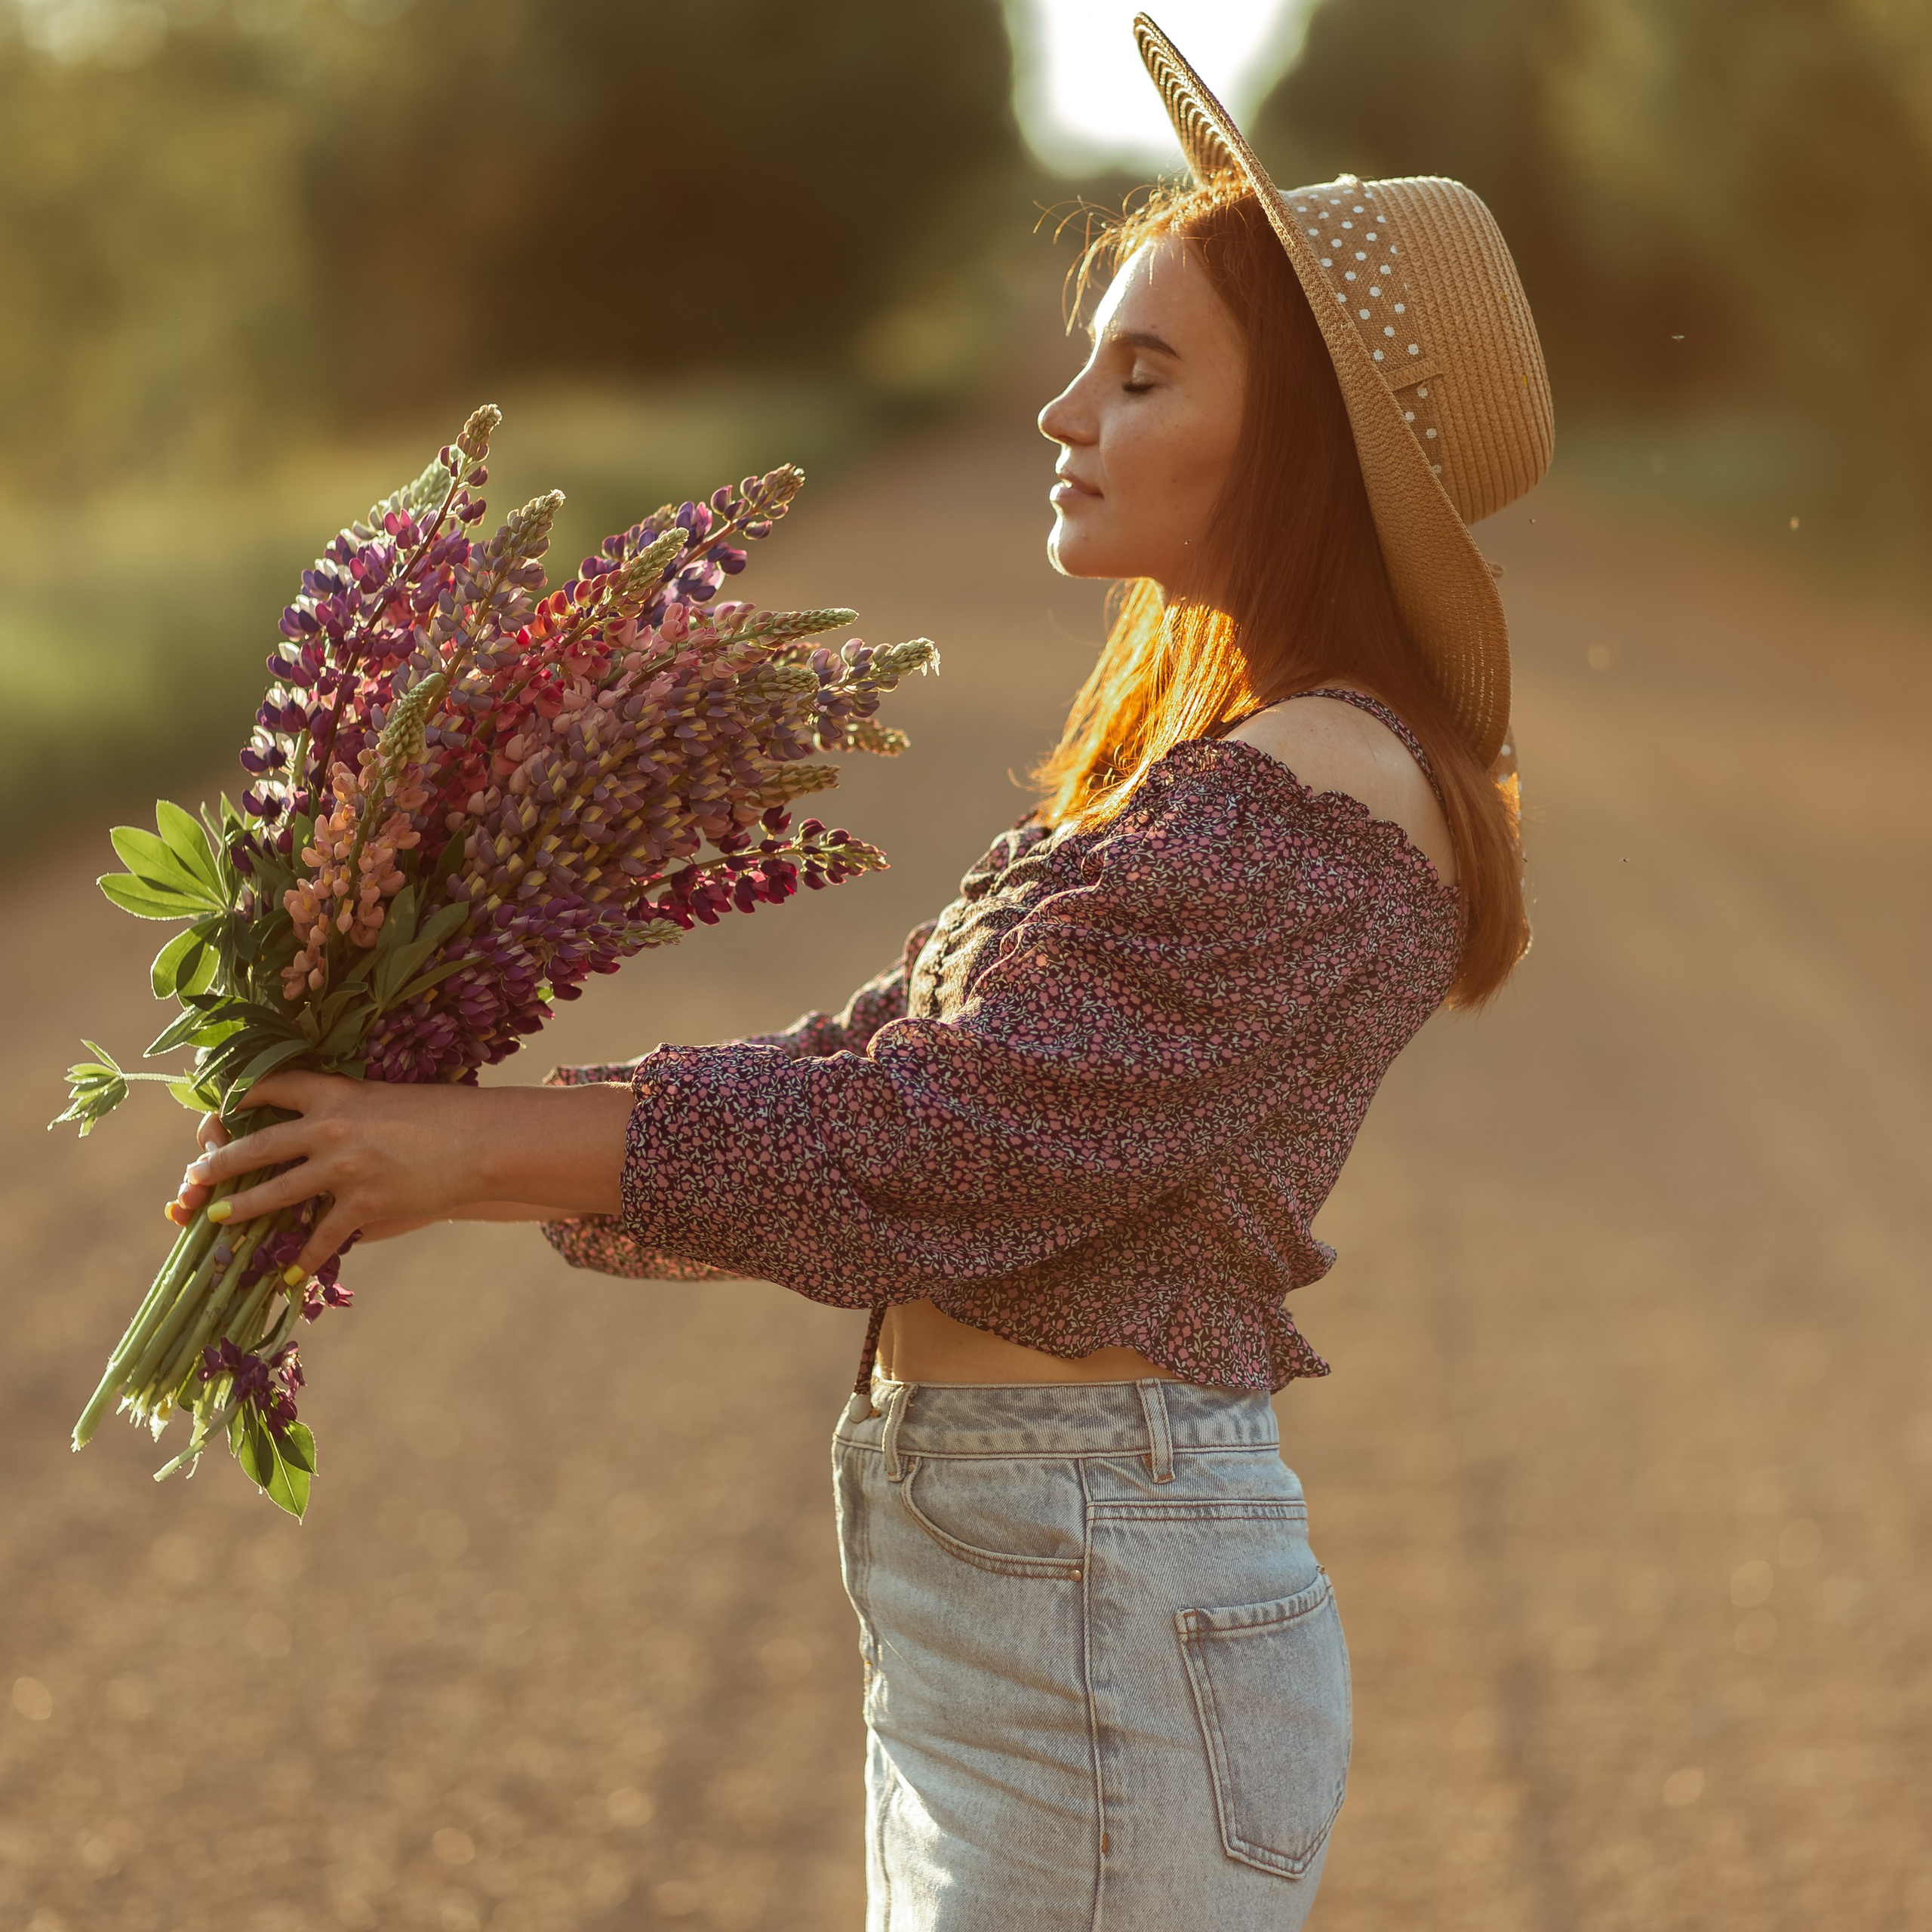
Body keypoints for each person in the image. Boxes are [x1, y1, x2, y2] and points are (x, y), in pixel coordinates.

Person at [175, 19, 1552, 1929]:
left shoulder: (1321, 784)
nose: (1062, 412)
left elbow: (949, 1137)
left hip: (1098, 1592)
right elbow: (877, 1061)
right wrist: (412, 1135)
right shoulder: (1235, 767)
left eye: (1139, 374)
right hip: (1034, 1579)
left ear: (1302, 441)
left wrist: (470, 1145)